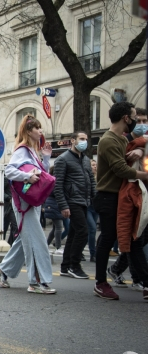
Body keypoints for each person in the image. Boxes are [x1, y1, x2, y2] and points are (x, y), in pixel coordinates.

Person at [0, 115, 56, 294]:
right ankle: (35, 283)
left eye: (40, 128)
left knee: (24, 240)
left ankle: (1, 270)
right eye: (37, 128)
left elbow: (42, 175)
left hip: (29, 203)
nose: (41, 131)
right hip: (24, 204)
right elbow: (9, 170)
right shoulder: (22, 149)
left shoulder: (32, 151)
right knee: (35, 240)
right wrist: (27, 176)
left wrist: (46, 159)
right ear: (29, 131)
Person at [93, 102, 148, 300]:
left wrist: (141, 151)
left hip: (120, 196)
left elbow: (140, 142)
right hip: (109, 196)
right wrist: (145, 175)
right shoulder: (108, 140)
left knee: (134, 239)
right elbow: (121, 169)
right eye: (134, 117)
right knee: (108, 238)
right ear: (126, 118)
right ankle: (100, 282)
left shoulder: (122, 139)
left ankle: (144, 282)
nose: (136, 121)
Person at [53, 131, 95, 279]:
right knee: (83, 232)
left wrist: (93, 198)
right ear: (73, 141)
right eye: (81, 139)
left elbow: (91, 180)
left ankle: (65, 267)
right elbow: (57, 185)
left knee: (74, 234)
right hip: (72, 201)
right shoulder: (62, 159)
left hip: (84, 201)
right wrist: (63, 205)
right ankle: (74, 265)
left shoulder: (86, 159)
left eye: (86, 139)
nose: (84, 141)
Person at [86, 159, 99, 262]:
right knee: (92, 229)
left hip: (96, 207)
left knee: (90, 232)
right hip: (88, 207)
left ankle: (80, 250)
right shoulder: (87, 178)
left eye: (95, 165)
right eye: (93, 165)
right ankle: (93, 254)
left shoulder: (99, 178)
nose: (95, 167)